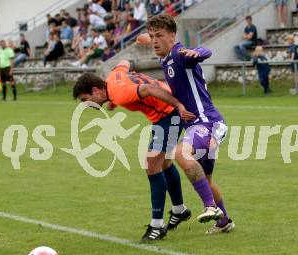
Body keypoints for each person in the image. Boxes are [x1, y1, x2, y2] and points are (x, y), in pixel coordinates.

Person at [72, 60, 196, 241]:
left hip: (169, 114)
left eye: (85, 100)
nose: (86, 104)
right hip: (164, 115)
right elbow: (126, 62)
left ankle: (157, 226)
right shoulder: (113, 76)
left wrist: (178, 106)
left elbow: (149, 90)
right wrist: (113, 101)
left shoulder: (119, 93)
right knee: (164, 162)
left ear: (96, 91)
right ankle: (179, 211)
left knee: (152, 164)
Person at [147, 14, 235, 234]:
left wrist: (198, 52)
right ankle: (224, 221)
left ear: (172, 36)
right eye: (151, 37)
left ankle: (210, 207)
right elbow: (151, 37)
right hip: (201, 125)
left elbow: (205, 52)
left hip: (207, 122)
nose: (154, 40)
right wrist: (145, 37)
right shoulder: (165, 57)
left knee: (180, 153)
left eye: (159, 36)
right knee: (205, 179)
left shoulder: (179, 54)